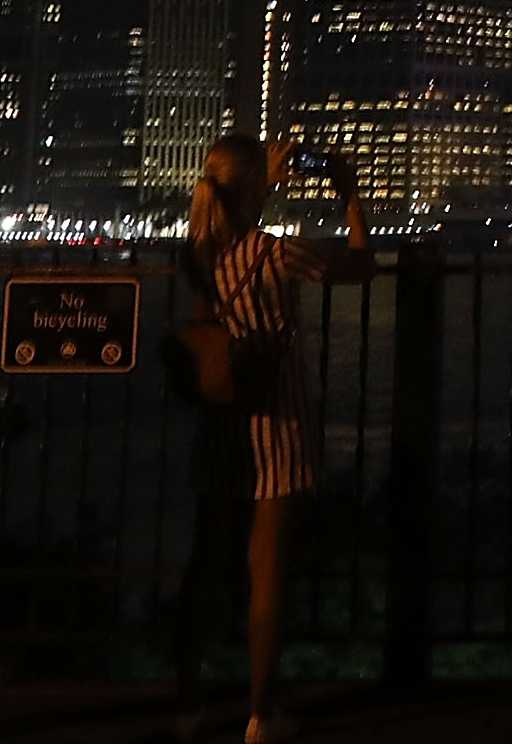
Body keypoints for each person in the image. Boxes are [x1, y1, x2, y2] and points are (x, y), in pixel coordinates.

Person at [172, 136, 372, 744]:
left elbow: (228, 215)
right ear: (255, 189)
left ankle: (188, 706)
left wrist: (264, 182)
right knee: (267, 571)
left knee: (204, 564)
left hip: (221, 421)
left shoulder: (197, 254)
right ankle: (261, 714)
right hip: (278, 422)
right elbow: (360, 266)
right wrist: (348, 196)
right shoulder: (276, 254)